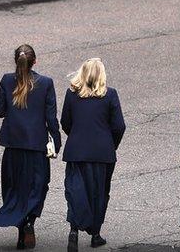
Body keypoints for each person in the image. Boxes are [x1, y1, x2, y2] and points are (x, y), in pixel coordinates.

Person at [0, 44, 62, 249]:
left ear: (16, 61)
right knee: (37, 187)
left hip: (13, 145)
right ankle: (29, 222)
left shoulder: (7, 80)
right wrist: (56, 141)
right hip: (36, 145)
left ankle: (21, 228)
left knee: (14, 188)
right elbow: (51, 118)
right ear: (35, 61)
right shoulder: (46, 83)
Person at [60, 58, 125, 252]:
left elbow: (65, 122)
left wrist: (77, 136)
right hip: (102, 152)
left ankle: (74, 229)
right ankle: (95, 234)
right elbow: (119, 126)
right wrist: (111, 144)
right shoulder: (110, 95)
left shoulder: (72, 95)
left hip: (77, 151)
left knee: (76, 190)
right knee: (99, 192)